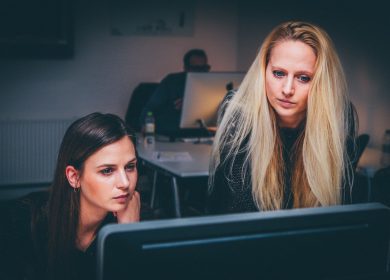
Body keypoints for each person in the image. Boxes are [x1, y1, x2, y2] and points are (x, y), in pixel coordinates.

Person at [208, 21, 358, 214]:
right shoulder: (240, 112)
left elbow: (337, 210)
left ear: (322, 82)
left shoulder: (339, 116)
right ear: (263, 71)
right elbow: (236, 209)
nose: (287, 90)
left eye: (303, 78)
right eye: (278, 73)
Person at [1, 113, 141, 280]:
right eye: (107, 171)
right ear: (74, 177)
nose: (125, 183)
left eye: (130, 167)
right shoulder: (21, 222)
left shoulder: (132, 219)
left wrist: (127, 235)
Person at [140, 48, 211, 135]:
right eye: (196, 68)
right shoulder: (172, 81)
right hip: (172, 133)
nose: (201, 72)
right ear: (186, 68)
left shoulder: (210, 86)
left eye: (204, 68)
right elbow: (150, 108)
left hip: (201, 133)